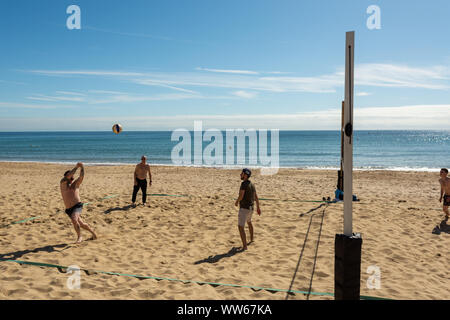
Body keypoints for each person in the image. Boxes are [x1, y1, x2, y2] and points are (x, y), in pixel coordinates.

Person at [60, 162, 97, 243]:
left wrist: (82, 167)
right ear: (66, 177)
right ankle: (93, 233)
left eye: (72, 177)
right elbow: (69, 175)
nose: (72, 178)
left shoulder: (75, 184)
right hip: (69, 209)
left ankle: (79, 237)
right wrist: (76, 167)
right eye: (70, 176)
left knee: (74, 219)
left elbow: (81, 177)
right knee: (81, 224)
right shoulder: (63, 183)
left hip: (77, 205)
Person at [234, 168, 261, 251]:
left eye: (241, 173)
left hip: (244, 208)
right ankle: (252, 239)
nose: (240, 175)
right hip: (251, 208)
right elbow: (256, 197)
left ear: (245, 175)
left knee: (240, 227)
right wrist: (258, 207)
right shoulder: (252, 184)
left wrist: (237, 201)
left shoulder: (244, 184)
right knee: (249, 222)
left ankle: (245, 246)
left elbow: (241, 195)